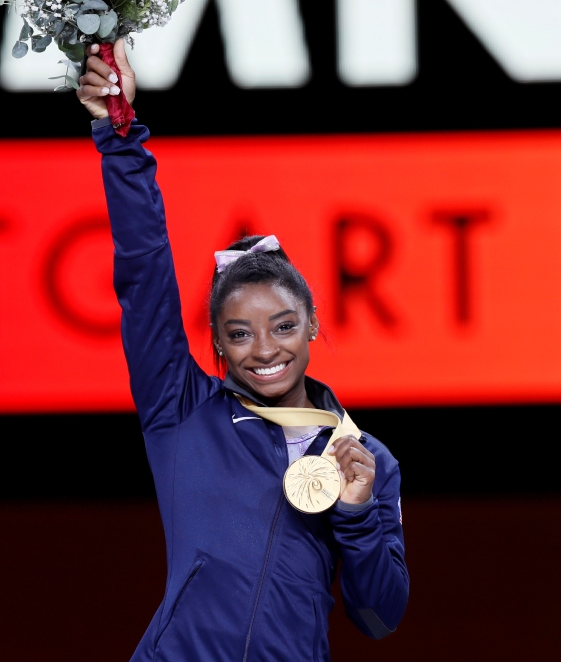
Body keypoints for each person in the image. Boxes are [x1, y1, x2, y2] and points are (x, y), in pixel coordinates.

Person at [78, 40, 408, 662]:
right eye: (239, 334)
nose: (264, 351)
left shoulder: (363, 459)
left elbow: (378, 618)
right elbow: (143, 275)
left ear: (311, 324)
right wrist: (119, 137)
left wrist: (358, 516)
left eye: (283, 327)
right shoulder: (182, 409)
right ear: (218, 346)